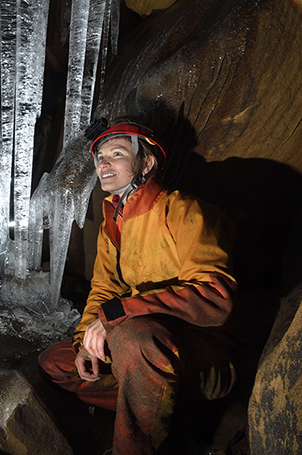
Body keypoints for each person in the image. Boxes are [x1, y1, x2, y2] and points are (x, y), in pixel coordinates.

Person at [38, 116, 238, 454]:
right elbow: (102, 289)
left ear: (146, 162)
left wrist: (118, 314)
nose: (104, 163)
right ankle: (161, 412)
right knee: (56, 363)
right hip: (138, 345)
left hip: (201, 356)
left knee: (134, 337)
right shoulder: (112, 225)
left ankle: (133, 447)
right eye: (100, 157)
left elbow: (215, 298)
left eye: (116, 154)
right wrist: (83, 343)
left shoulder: (185, 212)